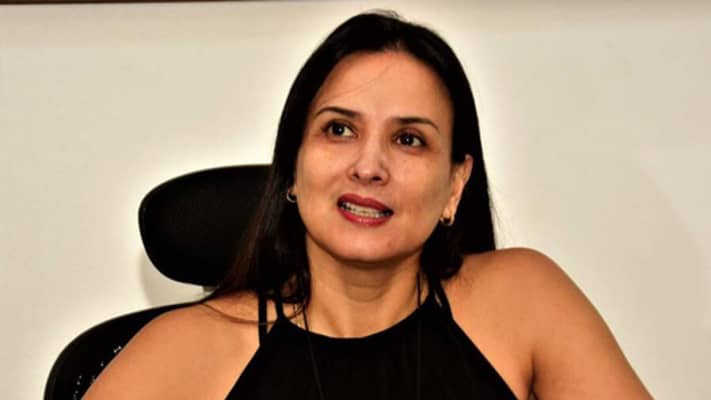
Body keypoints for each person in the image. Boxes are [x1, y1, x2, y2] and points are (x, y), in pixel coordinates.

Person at [84, 11, 652, 399]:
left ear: (455, 185)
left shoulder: (524, 299)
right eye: (339, 129)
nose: (369, 166)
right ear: (293, 166)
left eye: (409, 139)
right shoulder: (187, 349)